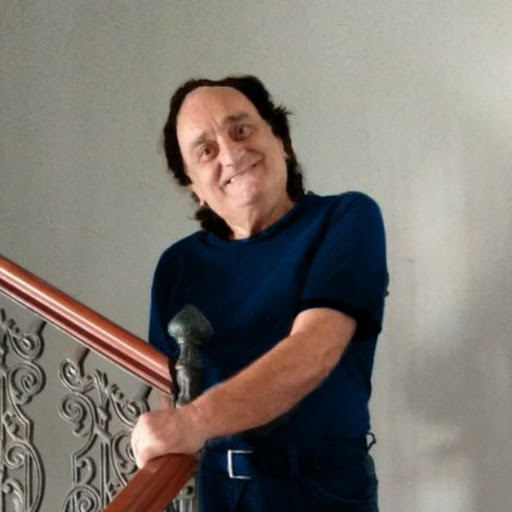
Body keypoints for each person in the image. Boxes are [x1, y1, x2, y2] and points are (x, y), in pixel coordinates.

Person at [131, 75, 388, 511]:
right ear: (193, 185)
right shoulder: (177, 266)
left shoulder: (346, 217)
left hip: (324, 491)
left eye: (241, 130)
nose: (231, 154)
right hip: (218, 489)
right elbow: (169, 393)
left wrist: (194, 421)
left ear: (280, 140)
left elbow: (315, 349)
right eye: (206, 150)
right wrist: (179, 431)